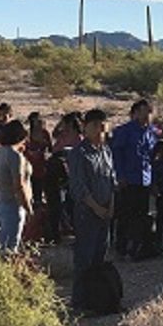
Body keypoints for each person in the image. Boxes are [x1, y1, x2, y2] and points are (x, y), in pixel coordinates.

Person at [68, 109, 116, 311]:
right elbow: (79, 187)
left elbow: (111, 180)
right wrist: (96, 208)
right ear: (85, 127)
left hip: (105, 212)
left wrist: (111, 206)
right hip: (87, 213)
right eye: (95, 125)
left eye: (102, 125)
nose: (99, 129)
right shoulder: (78, 153)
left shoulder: (106, 150)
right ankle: (79, 303)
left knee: (100, 257)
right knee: (84, 259)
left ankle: (97, 299)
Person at [110, 99, 157, 260]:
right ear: (135, 112)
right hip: (128, 179)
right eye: (144, 111)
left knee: (142, 215)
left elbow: (152, 156)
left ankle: (138, 247)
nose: (147, 115)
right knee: (125, 215)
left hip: (144, 179)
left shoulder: (151, 132)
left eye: (149, 112)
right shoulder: (125, 131)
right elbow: (117, 155)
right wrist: (120, 175)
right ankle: (121, 247)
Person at [0, 120, 33, 252]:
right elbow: (19, 185)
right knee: (10, 247)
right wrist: (28, 208)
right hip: (13, 204)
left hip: (1, 201)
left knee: (3, 243)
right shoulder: (15, 156)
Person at [25, 112, 52, 205]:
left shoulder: (45, 133)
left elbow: (50, 148)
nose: (39, 122)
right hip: (30, 168)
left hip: (43, 167)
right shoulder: (28, 134)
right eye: (37, 120)